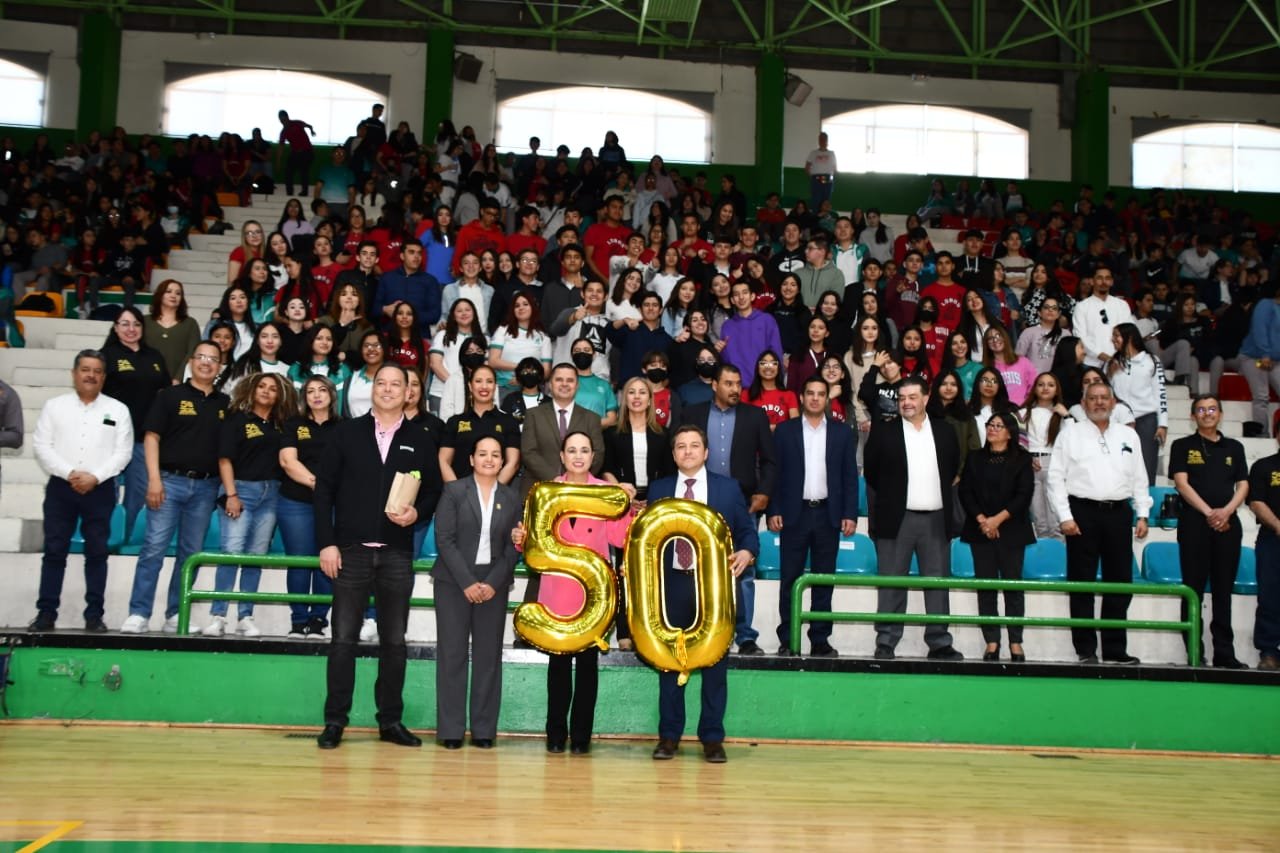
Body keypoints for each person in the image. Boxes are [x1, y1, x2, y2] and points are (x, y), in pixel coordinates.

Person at [313, 364, 444, 750]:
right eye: (381, 383)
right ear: (372, 389)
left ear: (409, 392)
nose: (387, 389)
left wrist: (416, 513)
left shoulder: (420, 438)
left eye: (395, 384)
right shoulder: (346, 433)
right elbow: (323, 491)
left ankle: (390, 721)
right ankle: (334, 721)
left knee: (394, 642)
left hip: (396, 554)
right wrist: (327, 543)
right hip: (349, 553)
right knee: (342, 640)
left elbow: (433, 491)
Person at [512, 431, 633, 754]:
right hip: (557, 594)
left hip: (594, 598)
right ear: (562, 456)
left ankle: (581, 738)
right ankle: (555, 734)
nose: (578, 456)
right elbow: (531, 543)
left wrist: (626, 506)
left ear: (593, 456)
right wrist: (519, 538)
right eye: (572, 450)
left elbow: (620, 538)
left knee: (588, 669)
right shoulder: (546, 492)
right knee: (558, 668)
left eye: (584, 450)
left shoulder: (606, 493)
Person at [649, 425, 759, 763]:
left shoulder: (728, 488)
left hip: (714, 587)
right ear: (673, 454)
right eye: (681, 446)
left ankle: (712, 738)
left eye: (694, 445)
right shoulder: (659, 489)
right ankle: (669, 736)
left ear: (706, 452)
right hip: (671, 587)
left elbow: (747, 532)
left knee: (714, 665)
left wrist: (747, 552)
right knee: (670, 663)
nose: (688, 451)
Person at [120, 341, 230, 634]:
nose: (206, 362)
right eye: (201, 356)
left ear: (220, 367)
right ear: (191, 361)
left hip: (206, 488)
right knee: (153, 549)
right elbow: (152, 437)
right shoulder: (170, 396)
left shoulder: (225, 403)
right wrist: (154, 479)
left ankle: (175, 614)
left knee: (190, 555)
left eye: (213, 359)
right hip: (169, 483)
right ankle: (139, 613)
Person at [1046, 379, 1151, 664]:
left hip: (1119, 513)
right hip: (1081, 514)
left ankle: (1115, 649)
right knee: (1082, 583)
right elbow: (1055, 478)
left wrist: (1142, 513)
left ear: (1114, 403)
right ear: (1083, 403)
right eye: (1093, 398)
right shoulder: (1070, 434)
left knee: (1120, 582)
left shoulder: (1129, 435)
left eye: (1105, 397)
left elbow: (1139, 477)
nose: (1099, 402)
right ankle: (1086, 650)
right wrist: (1065, 517)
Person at [29, 350, 133, 632]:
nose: (91, 375)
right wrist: (70, 474)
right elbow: (42, 446)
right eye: (85, 369)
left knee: (97, 553)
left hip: (100, 489)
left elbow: (123, 453)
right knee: (54, 551)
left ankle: (94, 616)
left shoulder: (118, 410)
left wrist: (94, 477)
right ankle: (46, 614)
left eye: (97, 371)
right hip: (61, 488)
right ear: (74, 374)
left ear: (104, 377)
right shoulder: (54, 406)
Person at [679, 364, 778, 655]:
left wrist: (764, 492)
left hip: (742, 504)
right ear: (714, 385)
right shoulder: (692, 413)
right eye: (729, 383)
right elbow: (679, 452)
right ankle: (697, 629)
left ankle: (745, 636)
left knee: (743, 569)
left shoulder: (755, 415)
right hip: (697, 502)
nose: (735, 389)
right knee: (691, 567)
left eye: (738, 384)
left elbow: (770, 460)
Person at [863, 375, 962, 661]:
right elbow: (872, 474)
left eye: (912, 397)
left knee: (938, 584)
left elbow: (953, 466)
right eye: (902, 398)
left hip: (936, 520)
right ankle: (886, 641)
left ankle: (940, 642)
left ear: (926, 398)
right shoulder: (884, 432)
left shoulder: (945, 431)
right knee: (891, 583)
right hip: (896, 520)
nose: (906, 403)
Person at [431, 435, 520, 749]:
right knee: (452, 656)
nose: (489, 459)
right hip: (453, 582)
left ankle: (483, 730)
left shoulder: (512, 497)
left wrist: (492, 583)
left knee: (488, 657)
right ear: (471, 459)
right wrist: (467, 582)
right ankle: (451, 730)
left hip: (493, 584)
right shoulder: (454, 491)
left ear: (503, 461)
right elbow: (444, 539)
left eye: (496, 454)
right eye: (483, 454)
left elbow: (513, 546)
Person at [769, 376, 859, 656]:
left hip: (828, 515)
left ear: (827, 398)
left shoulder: (842, 433)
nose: (815, 398)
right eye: (810, 393)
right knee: (790, 581)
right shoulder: (785, 431)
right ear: (802, 397)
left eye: (821, 394)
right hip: (793, 515)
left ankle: (820, 639)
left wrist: (850, 513)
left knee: (823, 580)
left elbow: (849, 476)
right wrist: (774, 509)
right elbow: (775, 473)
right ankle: (788, 639)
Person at [203, 373, 293, 638]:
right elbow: (224, 459)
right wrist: (231, 494)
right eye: (262, 386)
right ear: (252, 390)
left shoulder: (281, 425)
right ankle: (218, 615)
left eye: (273, 389)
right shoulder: (237, 419)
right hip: (240, 491)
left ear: (279, 396)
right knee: (231, 553)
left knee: (255, 557)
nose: (266, 391)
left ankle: (245, 616)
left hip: (271, 495)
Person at [1168, 395, 1248, 668]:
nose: (1207, 413)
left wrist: (1225, 512)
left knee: (1223, 591)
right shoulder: (1182, 446)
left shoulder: (1234, 447)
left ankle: (1224, 653)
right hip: (1194, 524)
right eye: (1201, 410)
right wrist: (1209, 513)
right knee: (1192, 588)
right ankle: (1194, 651)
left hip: (1228, 526)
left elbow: (1243, 485)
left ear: (1221, 414)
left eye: (1212, 409)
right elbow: (1182, 484)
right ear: (1193, 417)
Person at [958, 411, 1035, 662]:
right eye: (990, 425)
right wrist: (983, 520)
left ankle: (1015, 642)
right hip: (980, 531)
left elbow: (1023, 495)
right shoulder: (975, 457)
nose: (992, 429)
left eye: (998, 426)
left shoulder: (1022, 459)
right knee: (986, 587)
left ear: (1010, 432)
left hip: (1012, 531)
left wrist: (997, 520)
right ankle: (992, 642)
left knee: (1013, 587)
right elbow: (966, 492)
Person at [278, 376, 341, 639]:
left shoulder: (345, 426)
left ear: (332, 395)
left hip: (335, 504)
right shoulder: (293, 424)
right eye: (310, 391)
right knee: (300, 561)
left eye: (322, 390)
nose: (316, 395)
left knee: (328, 560)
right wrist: (318, 484)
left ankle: (318, 620)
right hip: (296, 501)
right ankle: (298, 620)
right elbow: (287, 461)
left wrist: (328, 491)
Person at [101, 307, 170, 539]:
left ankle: (127, 537)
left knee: (138, 493)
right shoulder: (106, 355)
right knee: (107, 491)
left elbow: (165, 393)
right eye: (125, 324)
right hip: (112, 437)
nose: (131, 329)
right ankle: (105, 537)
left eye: (136, 324)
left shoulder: (155, 356)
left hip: (143, 437)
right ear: (115, 328)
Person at [519, 363, 606, 495]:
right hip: (539, 490)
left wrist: (574, 480)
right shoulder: (533, 415)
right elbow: (528, 452)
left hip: (579, 491)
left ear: (577, 385)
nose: (564, 384)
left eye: (570, 380)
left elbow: (598, 454)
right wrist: (556, 480)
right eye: (559, 379)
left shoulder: (592, 418)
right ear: (550, 384)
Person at [1107, 323, 1168, 485]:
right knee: (1117, 467)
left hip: (1146, 420)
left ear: (1129, 337)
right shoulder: (1112, 363)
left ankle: (1147, 500)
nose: (1113, 340)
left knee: (1147, 467)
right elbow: (1105, 393)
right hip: (1118, 421)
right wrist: (1109, 374)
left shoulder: (1152, 361)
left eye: (1116, 336)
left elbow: (1160, 393)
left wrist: (1163, 424)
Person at [1248, 433, 1280, 671]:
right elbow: (1256, 502)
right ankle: (1269, 652)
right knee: (1270, 596)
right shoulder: (1264, 466)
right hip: (1272, 539)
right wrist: (1278, 526)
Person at [1073, 267, 1132, 368]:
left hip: (1119, 361)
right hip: (1091, 363)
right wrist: (1102, 355)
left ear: (1112, 282)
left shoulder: (1122, 305)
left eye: (1107, 278)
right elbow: (1080, 336)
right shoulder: (1082, 306)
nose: (1104, 282)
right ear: (1092, 281)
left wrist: (1118, 357)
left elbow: (1129, 332)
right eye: (1099, 278)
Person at [277, 109, 316, 197]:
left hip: (306, 152)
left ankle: (304, 191)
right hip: (295, 153)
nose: (283, 122)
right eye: (281, 120)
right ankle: (289, 193)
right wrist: (278, 161)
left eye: (284, 119)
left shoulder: (297, 123)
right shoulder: (283, 132)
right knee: (288, 172)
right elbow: (281, 147)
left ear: (287, 117)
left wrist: (312, 131)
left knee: (303, 171)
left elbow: (309, 126)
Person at [804, 132, 837, 210]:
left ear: (827, 140)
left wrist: (831, 178)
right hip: (816, 178)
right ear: (818, 140)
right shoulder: (813, 153)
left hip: (828, 178)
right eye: (820, 139)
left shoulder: (831, 153)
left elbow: (835, 169)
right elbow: (807, 167)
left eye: (824, 139)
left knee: (826, 201)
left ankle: (825, 216)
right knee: (816, 200)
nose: (822, 141)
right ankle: (816, 216)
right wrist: (813, 177)